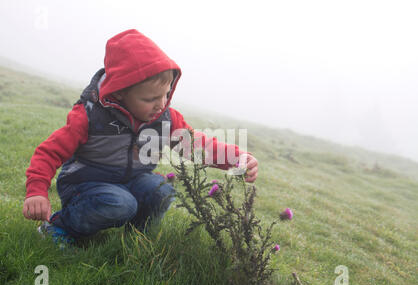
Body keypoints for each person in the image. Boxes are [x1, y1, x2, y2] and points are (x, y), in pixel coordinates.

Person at [22, 29, 258, 245]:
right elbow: (49, 152)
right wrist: (36, 191)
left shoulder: (165, 119)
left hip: (131, 181)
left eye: (166, 94)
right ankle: (60, 227)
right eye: (149, 99)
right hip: (85, 186)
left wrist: (237, 159)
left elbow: (197, 146)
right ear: (120, 91)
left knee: (162, 190)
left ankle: (136, 239)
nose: (161, 104)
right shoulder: (89, 116)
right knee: (120, 203)